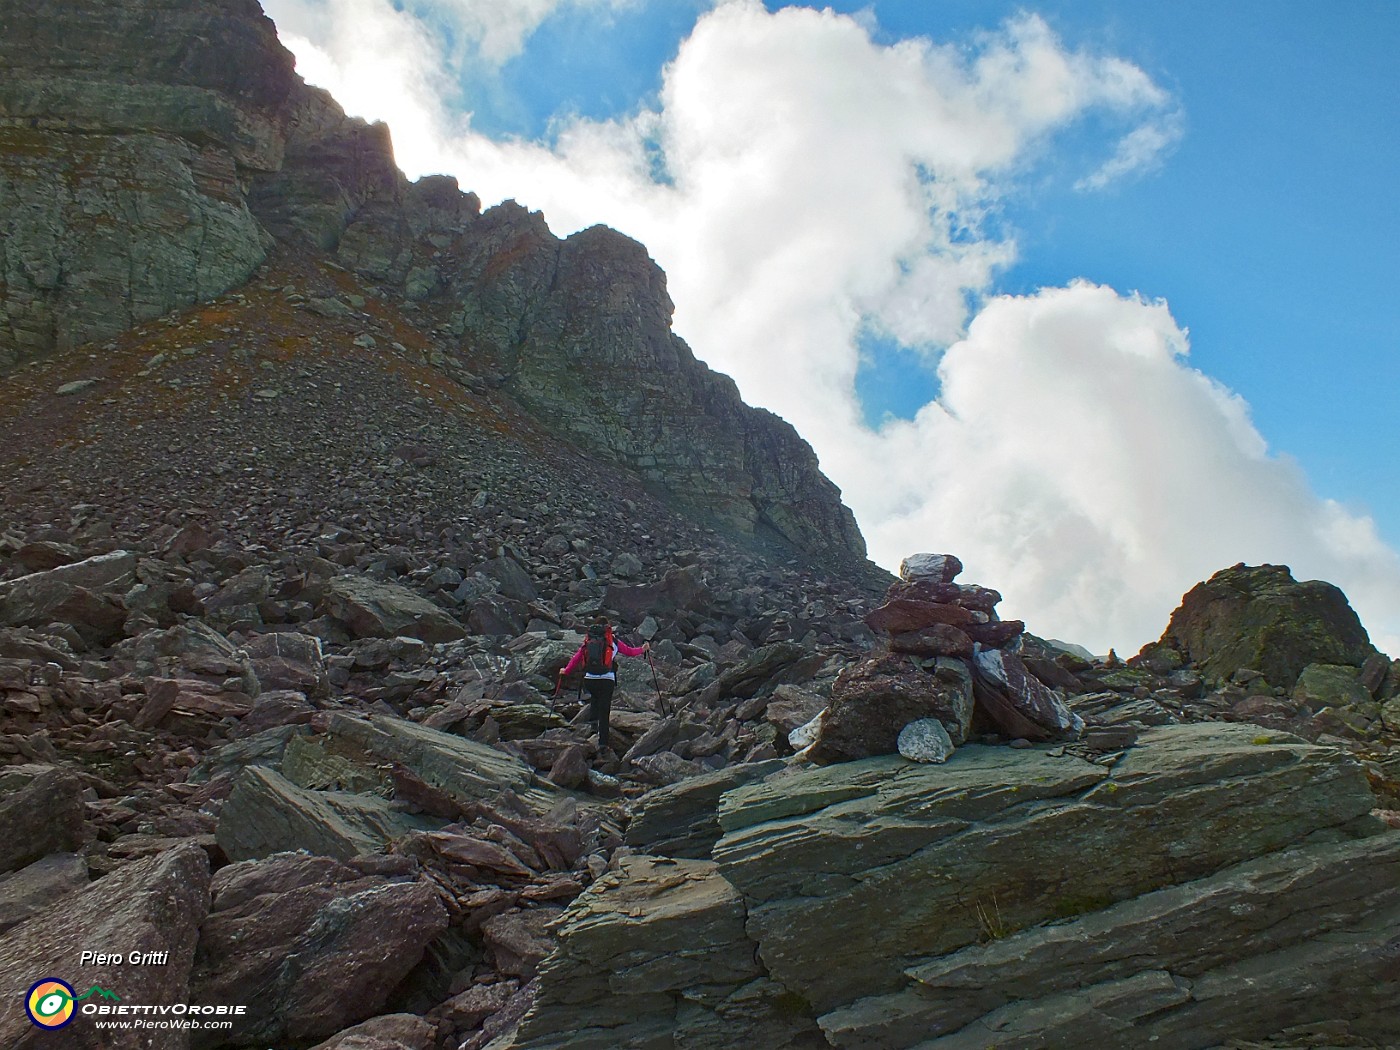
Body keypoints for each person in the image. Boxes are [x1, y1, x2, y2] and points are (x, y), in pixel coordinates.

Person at [558, 618, 649, 754]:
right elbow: (629, 652)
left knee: (595, 697)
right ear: (608, 627)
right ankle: (603, 744)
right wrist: (643, 649)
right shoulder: (612, 641)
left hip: (589, 678)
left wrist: (566, 670)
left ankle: (593, 725)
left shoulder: (589, 640)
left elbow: (577, 656)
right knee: (604, 711)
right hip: (607, 679)